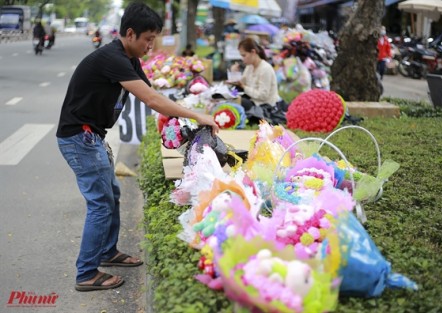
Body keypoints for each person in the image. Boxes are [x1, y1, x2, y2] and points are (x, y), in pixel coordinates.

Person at [56, 2, 219, 292]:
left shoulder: (128, 60)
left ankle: (108, 251)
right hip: (79, 138)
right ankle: (86, 272)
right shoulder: (112, 58)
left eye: (154, 38)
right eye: (148, 38)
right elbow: (153, 101)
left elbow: (154, 94)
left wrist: (183, 113)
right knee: (100, 203)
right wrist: (196, 115)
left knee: (111, 195)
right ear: (130, 34)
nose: (151, 45)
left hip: (91, 135)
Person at [228, 37, 284, 124]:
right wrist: (234, 73)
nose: (242, 59)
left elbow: (263, 95)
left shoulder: (265, 69)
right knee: (233, 94)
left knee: (238, 100)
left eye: (244, 55)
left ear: (253, 52)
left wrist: (243, 87)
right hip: (253, 101)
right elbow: (241, 84)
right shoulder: (249, 66)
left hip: (264, 105)